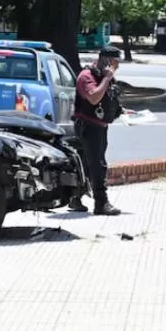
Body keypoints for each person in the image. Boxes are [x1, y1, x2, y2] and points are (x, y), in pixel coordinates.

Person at [69, 46, 131, 216]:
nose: (117, 67)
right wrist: (107, 78)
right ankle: (101, 204)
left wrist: (123, 111)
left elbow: (108, 99)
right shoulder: (86, 76)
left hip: (100, 126)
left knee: (88, 165)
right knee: (97, 165)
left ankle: (75, 198)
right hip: (88, 126)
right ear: (107, 61)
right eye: (116, 63)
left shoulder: (106, 77)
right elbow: (94, 97)